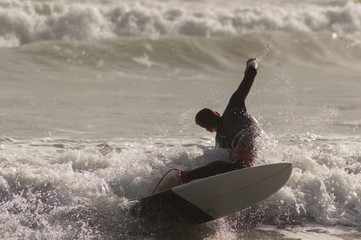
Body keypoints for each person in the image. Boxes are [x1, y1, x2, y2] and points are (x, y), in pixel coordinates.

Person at [153, 58, 261, 193]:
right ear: (217, 113)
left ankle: (184, 176)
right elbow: (250, 76)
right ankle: (186, 176)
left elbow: (221, 166)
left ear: (209, 130)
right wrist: (252, 63)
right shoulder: (234, 106)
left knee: (238, 166)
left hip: (247, 136)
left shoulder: (220, 141)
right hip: (254, 133)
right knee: (238, 166)